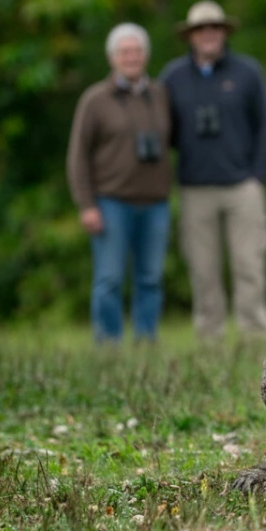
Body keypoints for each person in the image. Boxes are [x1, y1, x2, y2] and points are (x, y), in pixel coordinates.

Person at [160, 0, 266, 341]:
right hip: (195, 187)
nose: (208, 34)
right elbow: (162, 130)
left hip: (242, 186)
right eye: (201, 29)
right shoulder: (172, 77)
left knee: (249, 263)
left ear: (224, 32)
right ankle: (209, 337)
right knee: (202, 269)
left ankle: (253, 334)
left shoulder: (248, 72)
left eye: (214, 28)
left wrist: (258, 176)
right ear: (190, 35)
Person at [66, 23, 173, 343]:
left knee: (151, 278)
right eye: (125, 52)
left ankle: (146, 340)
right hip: (111, 202)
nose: (132, 57)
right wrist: (86, 204)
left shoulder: (159, 94)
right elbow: (78, 156)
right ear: (112, 57)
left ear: (146, 55)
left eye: (137, 51)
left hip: (155, 202)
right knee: (109, 279)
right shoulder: (95, 99)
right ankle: (108, 343)